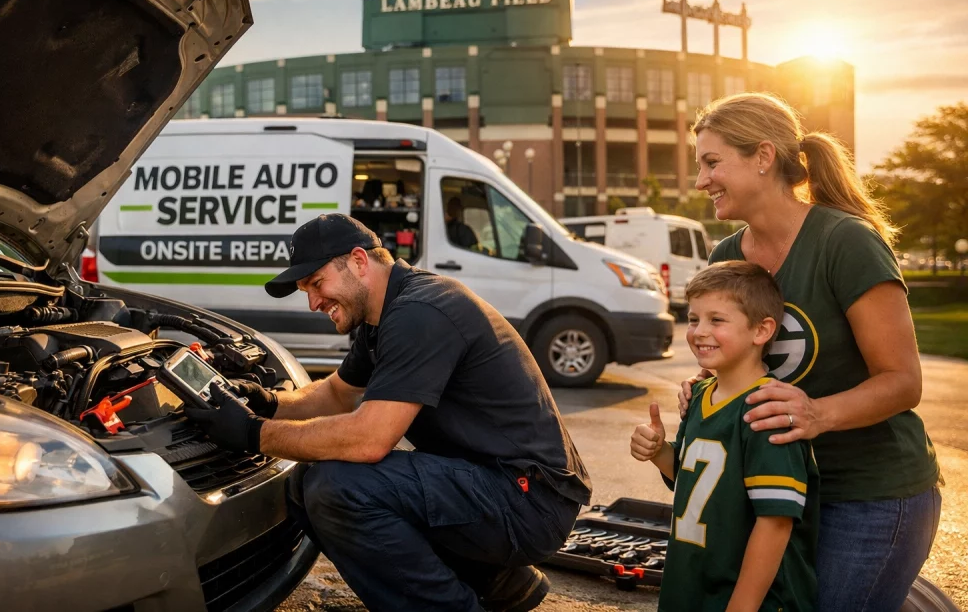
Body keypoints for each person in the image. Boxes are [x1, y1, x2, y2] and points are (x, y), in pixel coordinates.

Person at [187, 213, 591, 612]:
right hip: (495, 483)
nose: (312, 303)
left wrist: (253, 433)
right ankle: (498, 582)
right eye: (304, 290)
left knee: (338, 487)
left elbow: (369, 440)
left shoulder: (421, 311)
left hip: (528, 500)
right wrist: (269, 403)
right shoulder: (382, 316)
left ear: (359, 261)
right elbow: (337, 394)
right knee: (304, 481)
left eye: (316, 283)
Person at [678, 92, 941, 612]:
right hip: (779, 490)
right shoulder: (727, 254)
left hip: (870, 494)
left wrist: (816, 413)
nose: (701, 181)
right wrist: (707, 388)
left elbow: (903, 381)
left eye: (712, 163)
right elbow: (744, 362)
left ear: (762, 156)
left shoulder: (846, 241)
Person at [633, 261, 818, 611]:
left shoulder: (769, 411)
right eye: (693, 319)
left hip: (746, 599)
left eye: (716, 320)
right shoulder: (700, 395)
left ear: (761, 330)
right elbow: (696, 480)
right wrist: (658, 452)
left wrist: (741, 607)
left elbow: (775, 522)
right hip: (691, 587)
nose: (700, 331)